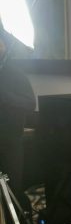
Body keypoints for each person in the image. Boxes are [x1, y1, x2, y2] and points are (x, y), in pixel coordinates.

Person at [0, 27, 36, 213]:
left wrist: (5, 97)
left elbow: (30, 103)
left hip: (10, 141)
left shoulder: (14, 72)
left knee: (13, 186)